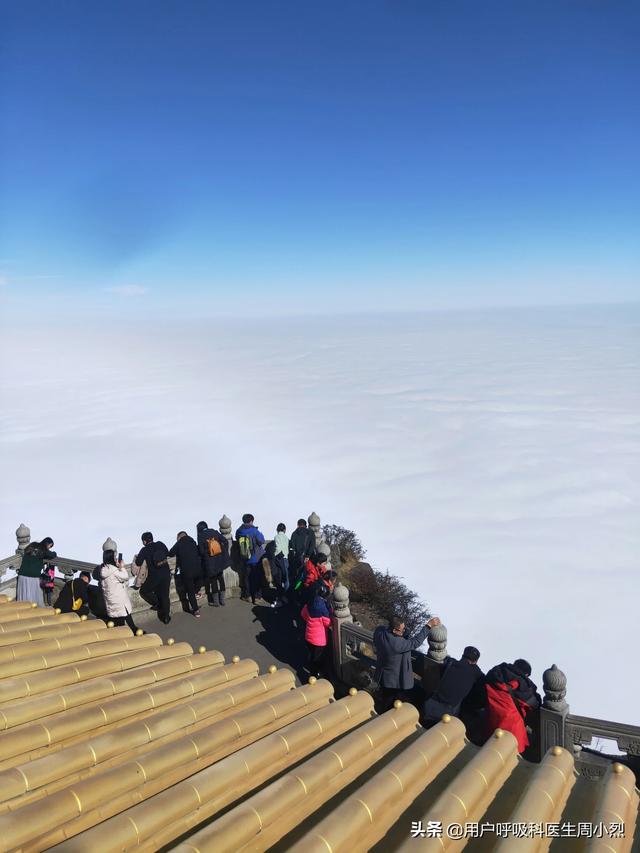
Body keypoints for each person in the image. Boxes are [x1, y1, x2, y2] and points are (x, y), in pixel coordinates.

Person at [373, 614, 441, 711]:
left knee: (386, 696)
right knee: (389, 701)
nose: (404, 631)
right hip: (393, 680)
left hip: (383, 673)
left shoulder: (380, 631)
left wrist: (404, 633)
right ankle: (386, 717)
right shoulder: (396, 643)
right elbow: (415, 642)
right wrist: (428, 626)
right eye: (402, 630)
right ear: (394, 630)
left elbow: (384, 633)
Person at [484, 659, 541, 753]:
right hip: (511, 727)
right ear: (526, 674)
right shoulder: (523, 686)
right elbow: (533, 705)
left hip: (490, 718)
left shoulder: (496, 672)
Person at [422, 646, 484, 726]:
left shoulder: (451, 663)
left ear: (463, 655)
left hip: (430, 706)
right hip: (447, 715)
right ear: (475, 661)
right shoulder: (476, 672)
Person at [100, 550, 141, 634]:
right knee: (126, 614)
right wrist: (121, 567)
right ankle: (133, 630)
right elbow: (125, 577)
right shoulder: (114, 571)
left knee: (118, 618)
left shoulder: (103, 570)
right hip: (119, 599)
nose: (116, 559)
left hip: (111, 600)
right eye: (114, 557)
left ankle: (126, 632)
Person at [135, 532, 172, 624]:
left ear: (144, 541)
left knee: (144, 591)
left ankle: (158, 603)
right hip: (166, 573)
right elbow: (167, 553)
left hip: (154, 575)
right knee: (165, 595)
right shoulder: (160, 544)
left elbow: (138, 562)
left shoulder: (144, 550)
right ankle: (166, 617)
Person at [300, 582, 333, 679]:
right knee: (317, 659)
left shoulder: (310, 603)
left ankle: (312, 668)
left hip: (308, 637)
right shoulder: (323, 609)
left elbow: (303, 614)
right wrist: (330, 610)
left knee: (312, 654)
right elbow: (328, 623)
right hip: (319, 641)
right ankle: (314, 675)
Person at [169, 531, 203, 617]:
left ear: (179, 537)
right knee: (197, 584)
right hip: (198, 569)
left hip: (187, 571)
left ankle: (196, 610)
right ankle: (197, 592)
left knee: (190, 592)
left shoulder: (179, 543)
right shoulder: (192, 541)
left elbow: (171, 553)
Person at [195, 521, 229, 607]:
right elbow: (225, 541)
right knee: (220, 579)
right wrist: (222, 552)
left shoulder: (201, 536)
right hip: (219, 560)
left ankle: (216, 602)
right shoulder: (214, 532)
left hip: (209, 561)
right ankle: (223, 600)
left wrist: (208, 553)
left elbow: (201, 551)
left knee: (213, 581)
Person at [235, 514, 266, 605]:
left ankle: (247, 596)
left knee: (247, 578)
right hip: (256, 558)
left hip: (245, 558)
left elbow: (237, 539)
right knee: (257, 578)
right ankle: (257, 597)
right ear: (251, 521)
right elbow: (261, 541)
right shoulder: (254, 531)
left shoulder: (239, 531)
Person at [16, 537, 57, 606]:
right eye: (50, 546)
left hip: (22, 575)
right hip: (33, 576)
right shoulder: (43, 549)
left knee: (25, 594)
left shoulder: (32, 545)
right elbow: (52, 555)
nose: (49, 548)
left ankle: (23, 609)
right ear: (47, 544)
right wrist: (53, 552)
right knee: (33, 595)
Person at [289, 519, 316, 587]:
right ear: (306, 525)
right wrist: (308, 556)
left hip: (297, 559)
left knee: (297, 576)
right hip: (308, 559)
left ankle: (297, 589)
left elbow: (292, 546)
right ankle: (305, 590)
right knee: (307, 576)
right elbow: (312, 545)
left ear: (298, 525)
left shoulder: (294, 533)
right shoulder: (310, 533)